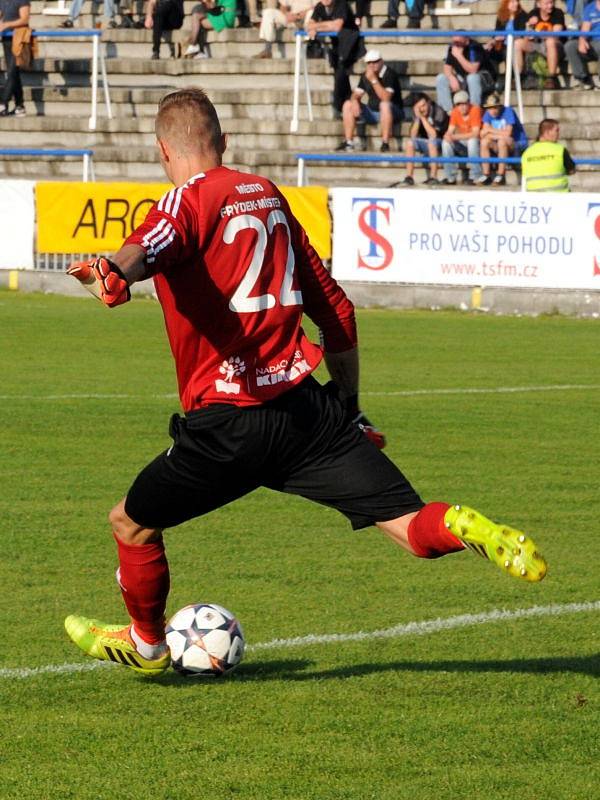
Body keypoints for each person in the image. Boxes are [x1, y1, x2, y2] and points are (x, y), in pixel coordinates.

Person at [63, 88, 547, 677]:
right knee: (409, 525)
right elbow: (337, 313)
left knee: (130, 522)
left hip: (228, 423)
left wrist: (114, 269)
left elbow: (151, 245)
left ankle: (146, 648)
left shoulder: (182, 203)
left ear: (165, 151)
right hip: (305, 412)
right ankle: (461, 524)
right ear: (225, 143)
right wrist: (349, 407)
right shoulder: (267, 195)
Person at [337, 50, 403, 152]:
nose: (372, 65)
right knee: (347, 104)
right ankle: (348, 142)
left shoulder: (390, 74)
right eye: (369, 63)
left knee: (384, 105)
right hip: (373, 112)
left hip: (393, 112)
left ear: (381, 61)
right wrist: (354, 100)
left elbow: (386, 98)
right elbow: (356, 94)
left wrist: (373, 80)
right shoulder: (365, 75)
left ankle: (385, 143)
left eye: (375, 61)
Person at [307, 0, 364, 114]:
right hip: (337, 44)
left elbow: (337, 26)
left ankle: (339, 106)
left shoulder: (342, 4)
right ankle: (346, 104)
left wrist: (316, 27)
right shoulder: (320, 6)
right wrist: (325, 26)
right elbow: (309, 25)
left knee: (341, 71)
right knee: (339, 72)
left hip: (351, 42)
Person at [476, 92, 527, 186]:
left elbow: (508, 133)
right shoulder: (488, 114)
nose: (493, 111)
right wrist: (499, 134)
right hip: (502, 141)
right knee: (484, 142)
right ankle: (486, 174)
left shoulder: (508, 111)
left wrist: (490, 131)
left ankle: (500, 174)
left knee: (502, 142)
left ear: (499, 106)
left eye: (495, 107)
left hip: (516, 143)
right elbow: (483, 134)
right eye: (490, 108)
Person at [436, 34, 496, 114]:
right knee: (441, 78)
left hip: (484, 79)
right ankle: (449, 112)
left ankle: (474, 111)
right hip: (464, 78)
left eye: (458, 42)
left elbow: (473, 70)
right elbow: (447, 68)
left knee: (472, 78)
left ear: (466, 40)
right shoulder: (453, 47)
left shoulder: (474, 47)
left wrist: (459, 56)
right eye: (454, 42)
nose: (455, 44)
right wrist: (451, 77)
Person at [401, 91, 448, 186]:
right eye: (419, 107)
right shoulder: (418, 112)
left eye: (423, 105)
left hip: (441, 141)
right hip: (425, 141)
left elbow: (434, 135)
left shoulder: (439, 112)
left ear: (429, 102)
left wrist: (422, 118)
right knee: (410, 143)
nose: (422, 109)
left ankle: (433, 177)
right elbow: (413, 135)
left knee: (431, 142)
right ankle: (409, 177)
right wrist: (418, 119)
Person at [521, 117, 575, 190]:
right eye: (557, 131)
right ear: (547, 132)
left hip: (535, 199)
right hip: (560, 197)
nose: (558, 134)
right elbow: (571, 171)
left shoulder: (527, 152)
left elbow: (525, 173)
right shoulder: (560, 150)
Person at [441, 90, 482, 185]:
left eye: (464, 104)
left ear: (468, 103)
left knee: (472, 141)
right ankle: (450, 177)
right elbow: (450, 130)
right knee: (445, 143)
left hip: (476, 143)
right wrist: (447, 136)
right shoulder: (455, 112)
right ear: (456, 106)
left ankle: (475, 176)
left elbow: (475, 133)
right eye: (459, 104)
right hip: (463, 142)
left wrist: (455, 136)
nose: (462, 107)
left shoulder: (475, 110)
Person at [522, 0, 566, 89]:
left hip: (556, 46)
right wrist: (529, 26)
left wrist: (536, 32)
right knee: (517, 43)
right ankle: (517, 77)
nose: (550, 6)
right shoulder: (533, 13)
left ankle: (551, 78)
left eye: (551, 2)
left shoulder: (558, 12)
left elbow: (555, 35)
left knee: (550, 41)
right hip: (538, 45)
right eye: (546, 3)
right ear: (539, 4)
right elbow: (526, 37)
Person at [0, 0, 29, 116]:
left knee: (12, 71)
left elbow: (25, 19)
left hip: (19, 38)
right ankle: (20, 105)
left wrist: (7, 24)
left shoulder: (22, 0)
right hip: (7, 38)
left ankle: (3, 102)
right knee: (13, 72)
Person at [485, 0, 528, 76]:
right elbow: (497, 31)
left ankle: (511, 77)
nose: (516, 4)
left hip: (515, 44)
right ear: (506, 4)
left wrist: (506, 36)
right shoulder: (501, 16)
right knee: (489, 51)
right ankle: (494, 77)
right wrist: (494, 39)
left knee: (506, 51)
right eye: (512, 2)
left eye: (517, 1)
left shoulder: (522, 15)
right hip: (502, 44)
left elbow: (521, 34)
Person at [565, 0, 600, 89]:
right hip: (593, 44)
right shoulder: (590, 7)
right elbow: (585, 27)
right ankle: (583, 78)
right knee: (570, 46)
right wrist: (582, 40)